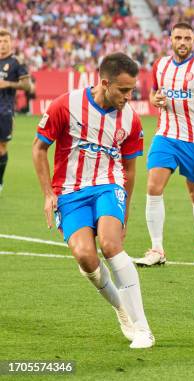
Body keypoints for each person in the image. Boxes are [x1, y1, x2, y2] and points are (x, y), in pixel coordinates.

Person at [32, 53, 154, 349]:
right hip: (70, 192)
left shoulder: (131, 119)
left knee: (111, 245)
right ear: (104, 82)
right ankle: (121, 308)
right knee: (86, 257)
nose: (129, 97)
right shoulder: (66, 105)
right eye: (123, 90)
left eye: (132, 90)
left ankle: (143, 329)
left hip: (108, 186)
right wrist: (49, 194)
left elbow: (129, 168)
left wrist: (125, 209)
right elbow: (39, 149)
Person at [134, 22, 194, 267]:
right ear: (171, 40)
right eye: (178, 38)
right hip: (165, 135)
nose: (182, 42)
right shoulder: (160, 65)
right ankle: (156, 249)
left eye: (187, 38)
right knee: (153, 187)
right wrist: (156, 100)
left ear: (193, 41)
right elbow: (153, 94)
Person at [0, 29, 31, 194]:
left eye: (5, 41)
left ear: (10, 43)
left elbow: (27, 86)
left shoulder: (16, 63)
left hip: (4, 111)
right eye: (0, 42)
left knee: (2, 147)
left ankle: (0, 181)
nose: (3, 45)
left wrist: (8, 84)